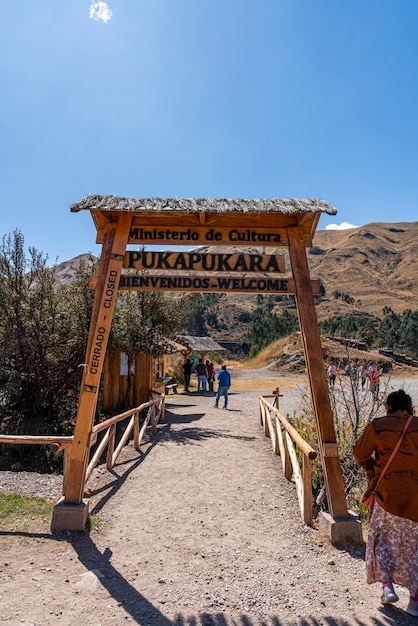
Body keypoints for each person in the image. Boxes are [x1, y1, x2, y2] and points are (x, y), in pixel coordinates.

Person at [353, 390, 418, 616]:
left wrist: (373, 468)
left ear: (389, 406)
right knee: (414, 547)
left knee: (382, 538)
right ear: (409, 407)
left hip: (386, 494)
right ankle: (415, 602)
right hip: (415, 499)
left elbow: (360, 454)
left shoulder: (378, 425)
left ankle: (387, 586)